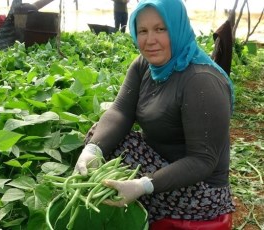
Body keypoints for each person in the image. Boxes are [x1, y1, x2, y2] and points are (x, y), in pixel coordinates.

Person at [74, 0, 236, 225]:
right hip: (161, 160)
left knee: (116, 155)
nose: (150, 41)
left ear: (177, 27)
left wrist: (144, 185)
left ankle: (140, 205)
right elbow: (120, 111)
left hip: (200, 191)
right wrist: (92, 150)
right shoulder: (145, 65)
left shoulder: (201, 81)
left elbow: (202, 161)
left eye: (161, 29)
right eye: (143, 31)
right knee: (100, 137)